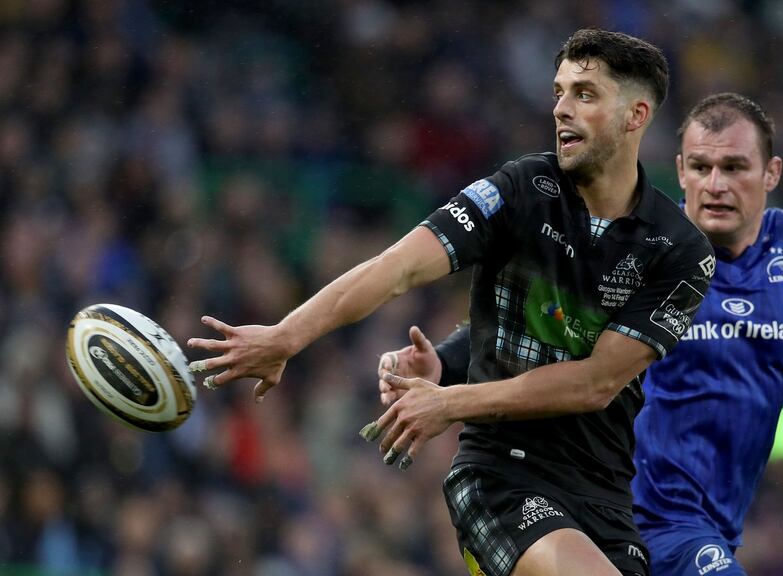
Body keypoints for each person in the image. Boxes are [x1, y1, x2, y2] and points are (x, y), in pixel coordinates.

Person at [188, 29, 715, 576]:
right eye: (558, 91)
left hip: (606, 502)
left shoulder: (680, 251)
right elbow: (398, 267)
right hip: (502, 478)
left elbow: (594, 381)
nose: (561, 108)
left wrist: (447, 387)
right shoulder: (518, 190)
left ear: (635, 116)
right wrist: (286, 336)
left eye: (584, 94)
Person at [378, 93, 783, 576]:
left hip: (702, 528)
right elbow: (544, 324)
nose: (715, 184)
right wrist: (447, 367)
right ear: (680, 169)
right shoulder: (644, 245)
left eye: (734, 167)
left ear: (771, 173)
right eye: (701, 167)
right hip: (612, 513)